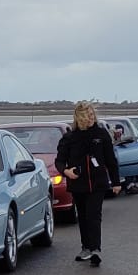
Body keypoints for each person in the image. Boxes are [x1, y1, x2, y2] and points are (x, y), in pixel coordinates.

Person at [55, 101, 121, 266]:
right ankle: (86, 247)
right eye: (87, 116)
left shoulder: (101, 134)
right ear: (79, 118)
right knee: (83, 216)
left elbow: (111, 160)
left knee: (94, 215)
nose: (91, 119)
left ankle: (95, 249)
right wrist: (66, 171)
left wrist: (116, 182)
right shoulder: (69, 138)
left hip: (98, 183)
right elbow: (60, 161)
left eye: (92, 115)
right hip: (78, 184)